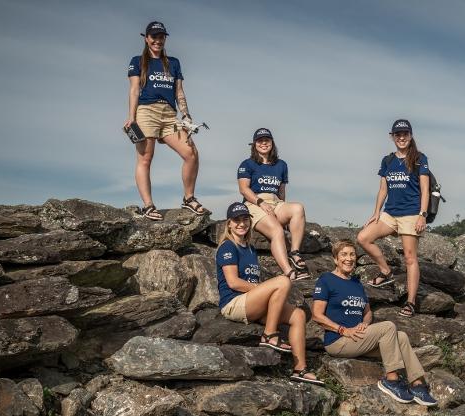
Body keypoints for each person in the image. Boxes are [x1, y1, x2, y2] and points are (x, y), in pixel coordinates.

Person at [312, 239, 437, 406]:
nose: (349, 258)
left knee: (401, 337)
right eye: (343, 254)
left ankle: (418, 385)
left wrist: (364, 322)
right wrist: (343, 330)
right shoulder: (326, 280)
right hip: (338, 341)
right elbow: (317, 316)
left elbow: (368, 312)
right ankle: (391, 381)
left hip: (358, 338)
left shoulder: (357, 284)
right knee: (388, 326)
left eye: (352, 254)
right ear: (335, 259)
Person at [216, 202, 323, 385]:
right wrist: (262, 290)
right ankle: (269, 334)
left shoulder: (250, 248)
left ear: (250, 222)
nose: (241, 224)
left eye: (244, 219)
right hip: (234, 303)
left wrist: (262, 290)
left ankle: (300, 369)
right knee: (283, 280)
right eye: (236, 221)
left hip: (251, 302)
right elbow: (233, 282)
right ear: (229, 224)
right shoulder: (228, 247)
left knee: (298, 314)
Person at [124, 21, 208, 221]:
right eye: (154, 36)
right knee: (145, 158)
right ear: (146, 38)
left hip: (169, 114)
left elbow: (179, 92)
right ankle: (148, 205)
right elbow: (134, 90)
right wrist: (131, 117)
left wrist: (186, 115)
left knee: (191, 153)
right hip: (146, 112)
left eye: (161, 37)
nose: (157, 40)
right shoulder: (137, 61)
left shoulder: (174, 62)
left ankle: (189, 198)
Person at [356, 119, 430, 317]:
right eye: (398, 134)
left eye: (405, 133)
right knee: (363, 237)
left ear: (411, 135)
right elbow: (383, 189)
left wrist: (422, 215)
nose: (402, 137)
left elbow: (425, 189)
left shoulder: (419, 158)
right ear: (392, 137)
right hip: (390, 213)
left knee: (409, 258)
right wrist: (376, 212)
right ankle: (386, 271)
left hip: (411, 214)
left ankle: (411, 302)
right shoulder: (387, 160)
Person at [237, 128, 310, 281]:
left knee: (298, 208)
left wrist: (284, 210)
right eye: (260, 140)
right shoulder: (247, 164)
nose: (264, 143)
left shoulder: (281, 165)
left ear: (272, 143)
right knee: (277, 230)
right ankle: (288, 272)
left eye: (267, 140)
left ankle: (295, 253)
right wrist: (261, 203)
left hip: (276, 202)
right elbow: (244, 189)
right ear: (254, 144)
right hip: (254, 203)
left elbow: (282, 191)